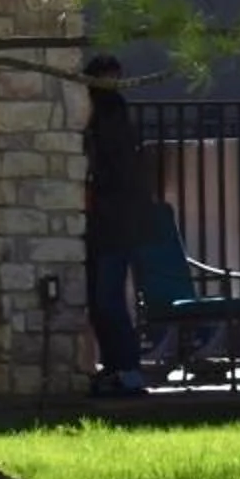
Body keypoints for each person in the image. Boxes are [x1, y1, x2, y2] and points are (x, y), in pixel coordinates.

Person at [80, 54, 152, 397]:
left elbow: (115, 169)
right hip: (109, 223)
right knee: (101, 300)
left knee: (106, 299)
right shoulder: (111, 113)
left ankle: (125, 368)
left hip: (111, 224)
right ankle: (118, 368)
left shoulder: (109, 113)